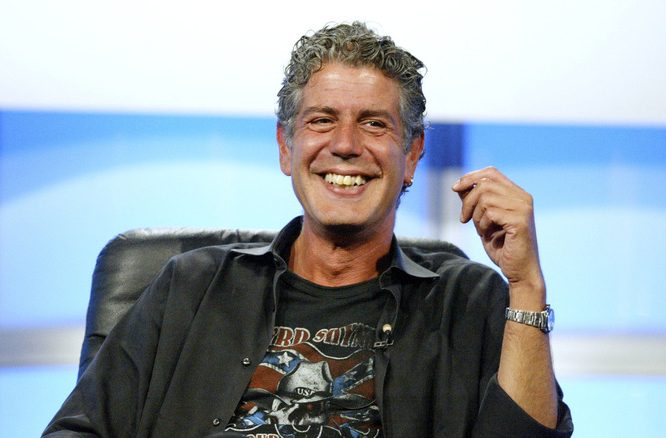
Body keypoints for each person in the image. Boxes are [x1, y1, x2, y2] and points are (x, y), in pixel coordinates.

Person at [44, 22, 573, 437]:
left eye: (374, 123)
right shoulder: (190, 286)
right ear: (285, 147)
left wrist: (526, 285)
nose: (345, 144)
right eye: (321, 120)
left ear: (412, 154)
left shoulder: (467, 301)